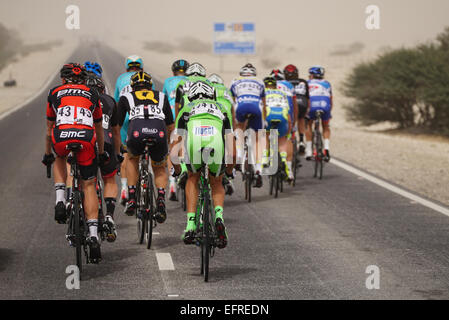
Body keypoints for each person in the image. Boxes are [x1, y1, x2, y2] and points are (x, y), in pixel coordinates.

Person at [42, 63, 108, 263]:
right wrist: (102, 152)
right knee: (88, 184)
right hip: (86, 137)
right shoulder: (92, 93)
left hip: (61, 136)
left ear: (63, 79)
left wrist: (47, 155)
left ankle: (60, 200)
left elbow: (48, 128)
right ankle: (94, 234)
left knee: (60, 157)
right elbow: (99, 129)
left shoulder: (54, 93)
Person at [171, 80, 233, 249]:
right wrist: (229, 169)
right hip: (216, 144)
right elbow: (231, 143)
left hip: (195, 144)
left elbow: (176, 141)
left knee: (192, 178)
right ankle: (219, 217)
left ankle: (191, 225)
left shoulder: (186, 108)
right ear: (212, 94)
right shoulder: (222, 108)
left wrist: (177, 168)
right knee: (217, 181)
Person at [117, 71, 174, 223]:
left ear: (132, 87)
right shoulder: (162, 96)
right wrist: (168, 143)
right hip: (159, 133)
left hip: (137, 133)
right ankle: (161, 201)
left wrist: (119, 147)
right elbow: (170, 125)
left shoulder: (126, 97)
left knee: (131, 159)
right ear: (151, 86)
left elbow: (116, 125)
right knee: (159, 167)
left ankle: (132, 197)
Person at [85, 74, 121, 242]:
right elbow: (115, 132)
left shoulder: (81, 99)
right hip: (106, 142)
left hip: (87, 142)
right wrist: (118, 153)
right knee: (110, 180)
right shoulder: (110, 101)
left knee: (88, 184)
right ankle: (109, 215)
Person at [113, 55, 147, 207]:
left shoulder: (121, 78)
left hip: (125, 116)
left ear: (127, 67)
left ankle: (125, 188)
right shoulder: (145, 78)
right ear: (141, 67)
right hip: (140, 115)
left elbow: (115, 101)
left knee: (126, 153)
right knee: (141, 150)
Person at [230, 63, 266, 187]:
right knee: (258, 139)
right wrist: (264, 121)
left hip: (241, 107)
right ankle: (258, 169)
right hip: (256, 108)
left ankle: (239, 155)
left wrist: (235, 123)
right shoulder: (260, 82)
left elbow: (232, 102)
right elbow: (264, 104)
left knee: (239, 128)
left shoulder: (235, 82)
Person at [162, 59, 189, 201]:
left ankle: (172, 183)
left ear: (173, 71)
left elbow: (164, 101)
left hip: (172, 115)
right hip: (187, 114)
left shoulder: (168, 81)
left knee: (172, 148)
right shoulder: (191, 81)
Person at [208, 73, 236, 195]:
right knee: (229, 150)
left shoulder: (206, 89)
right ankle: (228, 177)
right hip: (226, 120)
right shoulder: (227, 91)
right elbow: (233, 113)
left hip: (211, 121)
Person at [263, 76, 293, 181]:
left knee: (265, 135)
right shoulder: (282, 94)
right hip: (282, 117)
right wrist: (289, 132)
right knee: (282, 140)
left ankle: (265, 159)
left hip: (269, 116)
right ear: (275, 86)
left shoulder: (263, 93)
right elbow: (289, 116)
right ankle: (284, 161)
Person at [306, 66, 332, 162]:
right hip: (325, 106)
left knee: (308, 124)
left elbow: (305, 99)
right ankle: (326, 148)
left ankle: (309, 150)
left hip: (312, 106)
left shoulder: (307, 83)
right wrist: (329, 112)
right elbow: (331, 99)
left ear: (312, 75)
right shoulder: (327, 83)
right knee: (325, 126)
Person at [283, 64, 310, 155]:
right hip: (303, 103)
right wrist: (307, 111)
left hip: (290, 104)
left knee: (289, 120)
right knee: (301, 118)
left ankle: (289, 137)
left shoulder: (284, 83)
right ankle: (301, 140)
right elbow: (308, 98)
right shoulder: (303, 82)